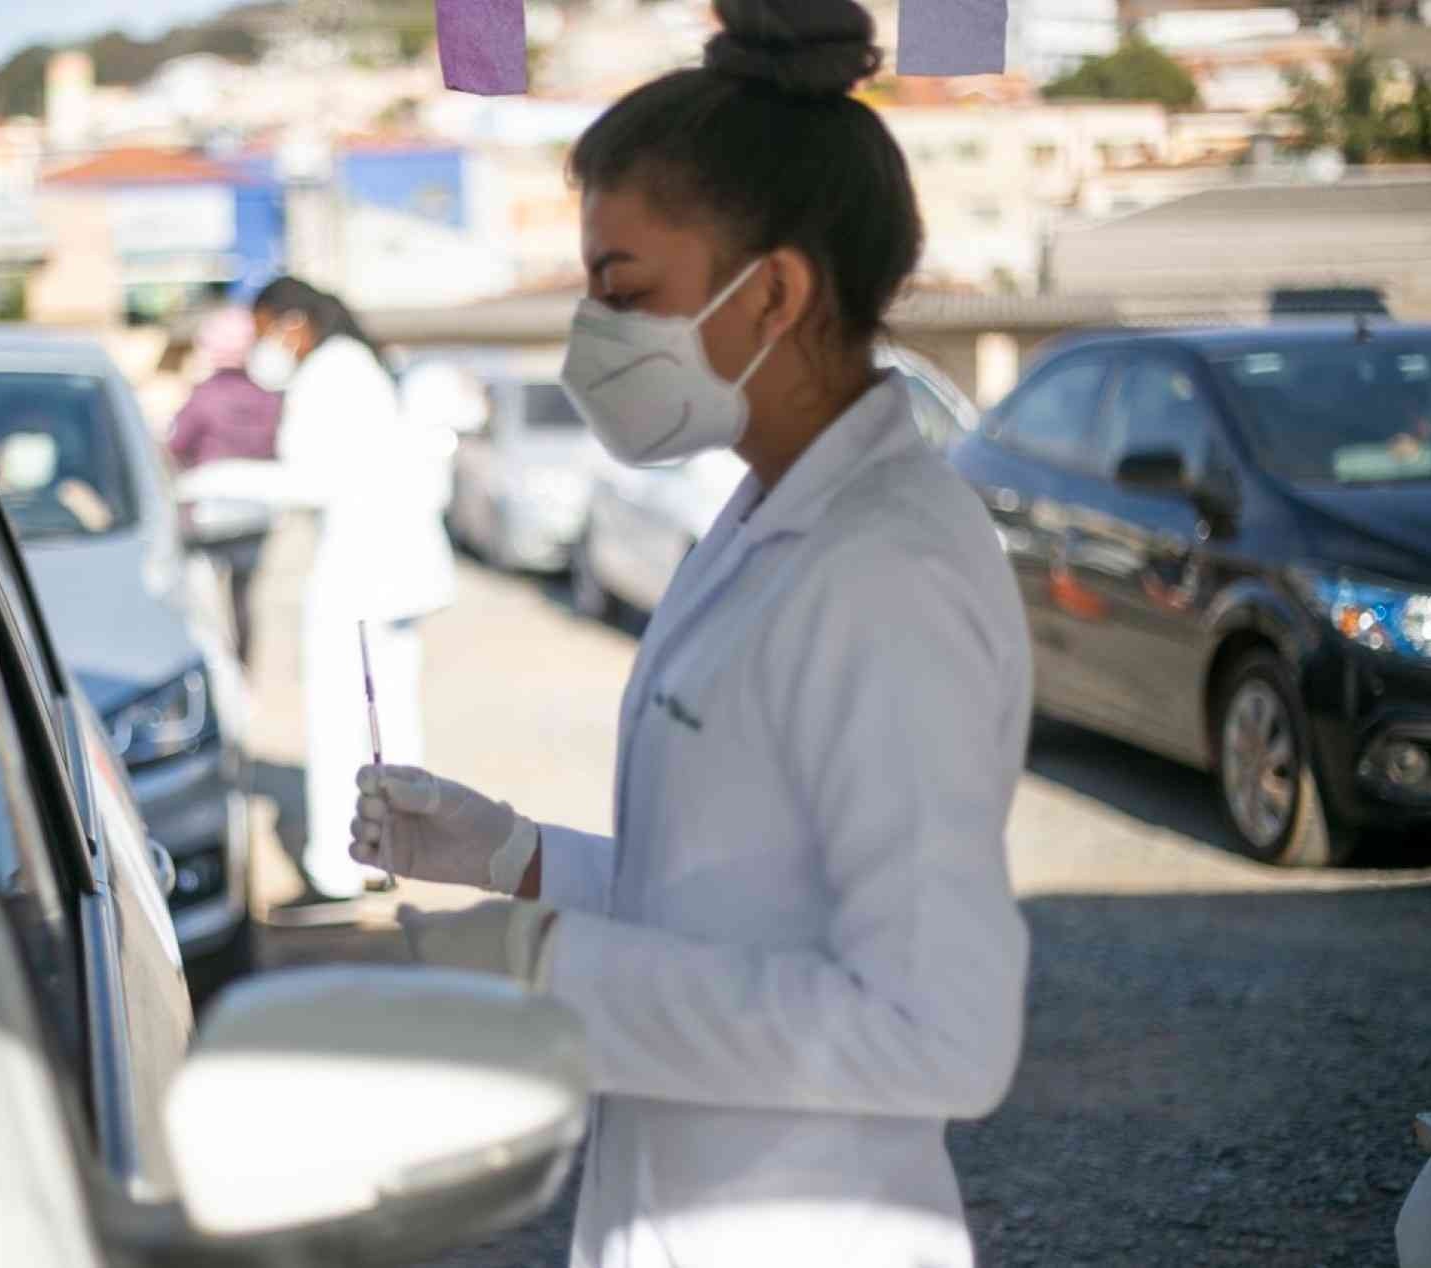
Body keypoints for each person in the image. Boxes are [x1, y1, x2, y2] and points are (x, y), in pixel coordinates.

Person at [349, 3, 1031, 1265]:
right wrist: (516, 857)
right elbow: (748, 901)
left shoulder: (885, 570)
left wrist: (544, 969)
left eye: (622, 289)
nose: (590, 337)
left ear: (772, 290)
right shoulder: (767, 513)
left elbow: (943, 1028)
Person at [250, 277, 455, 918]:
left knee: (340, 723)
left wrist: (220, 482)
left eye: (264, 331)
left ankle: (335, 874)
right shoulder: (361, 365)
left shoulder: (329, 374)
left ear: (291, 322)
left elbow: (311, 479)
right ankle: (385, 860)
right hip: (393, 570)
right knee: (386, 724)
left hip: (358, 571)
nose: (265, 349)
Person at [167, 305, 284, 665]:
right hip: (256, 513)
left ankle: (219, 672)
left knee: (206, 605)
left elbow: (176, 446)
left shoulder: (203, 397)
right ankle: (244, 667)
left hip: (208, 515)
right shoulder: (268, 399)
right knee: (244, 599)